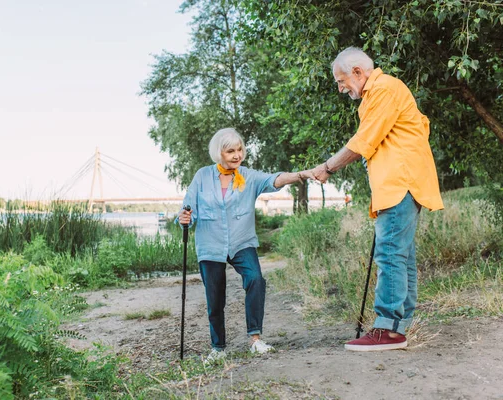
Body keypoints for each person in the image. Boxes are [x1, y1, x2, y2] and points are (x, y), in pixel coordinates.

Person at [310, 47, 444, 351]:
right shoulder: (379, 93)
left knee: (390, 253)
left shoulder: (384, 89)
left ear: (358, 72)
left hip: (400, 184)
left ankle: (389, 328)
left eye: (342, 80)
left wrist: (328, 167)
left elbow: (363, 142)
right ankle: (399, 325)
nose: (340, 87)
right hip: (397, 183)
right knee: (402, 254)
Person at [178, 127, 313, 364]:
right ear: (219, 153)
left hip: (241, 241)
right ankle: (218, 348)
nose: (236, 155)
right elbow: (188, 206)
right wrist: (185, 217)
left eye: (239, 149)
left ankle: (255, 339)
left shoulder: (248, 176)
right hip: (211, 244)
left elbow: (275, 179)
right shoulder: (202, 176)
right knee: (215, 295)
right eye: (230, 151)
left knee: (255, 279)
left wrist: (303, 174)